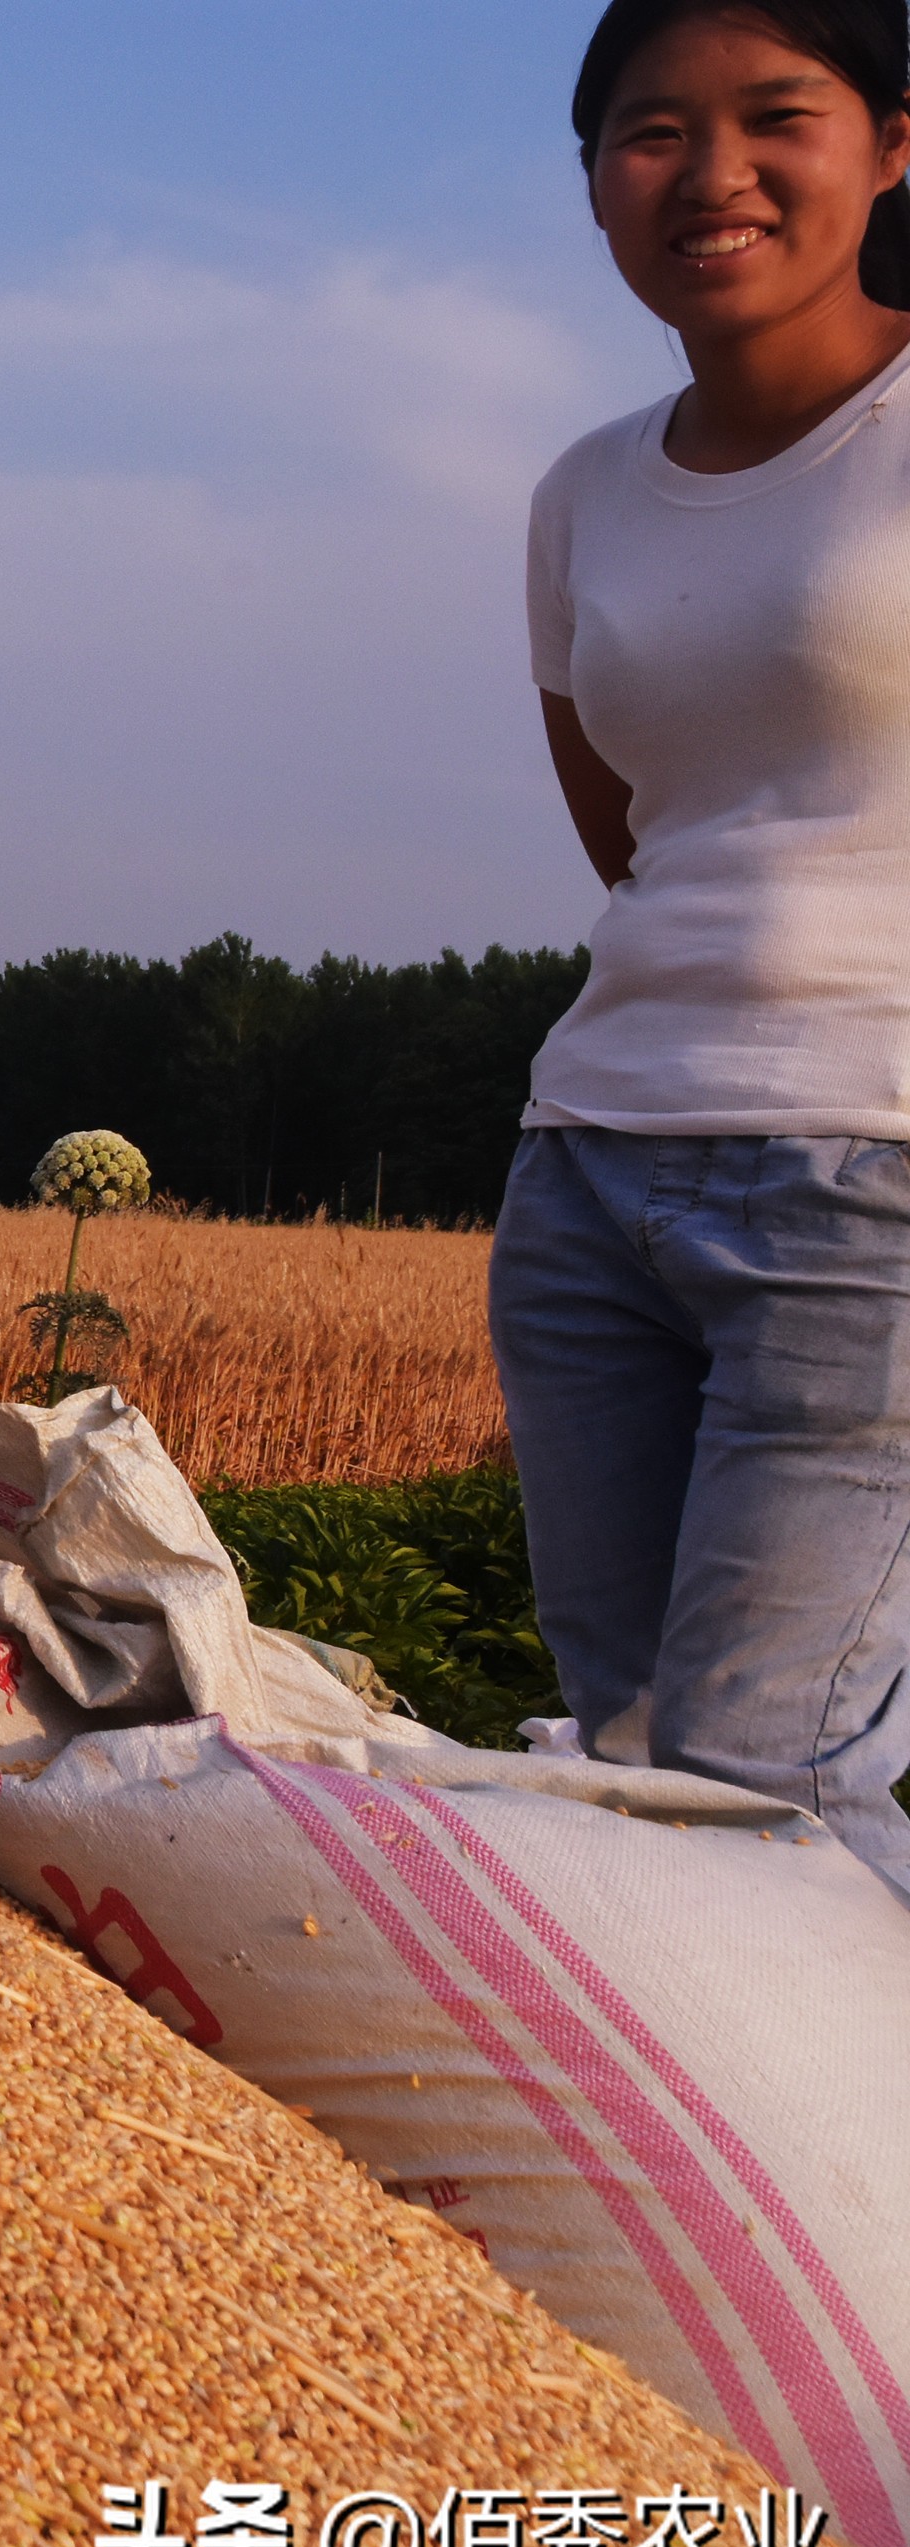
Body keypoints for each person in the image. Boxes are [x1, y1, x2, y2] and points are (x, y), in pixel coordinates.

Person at [500, 0, 910, 1887]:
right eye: (653, 130)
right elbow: (637, 835)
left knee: (774, 1785)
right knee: (632, 1754)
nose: (713, 172)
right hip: (591, 1171)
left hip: (871, 1181)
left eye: (776, 116)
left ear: (891, 145)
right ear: (595, 183)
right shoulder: (585, 490)